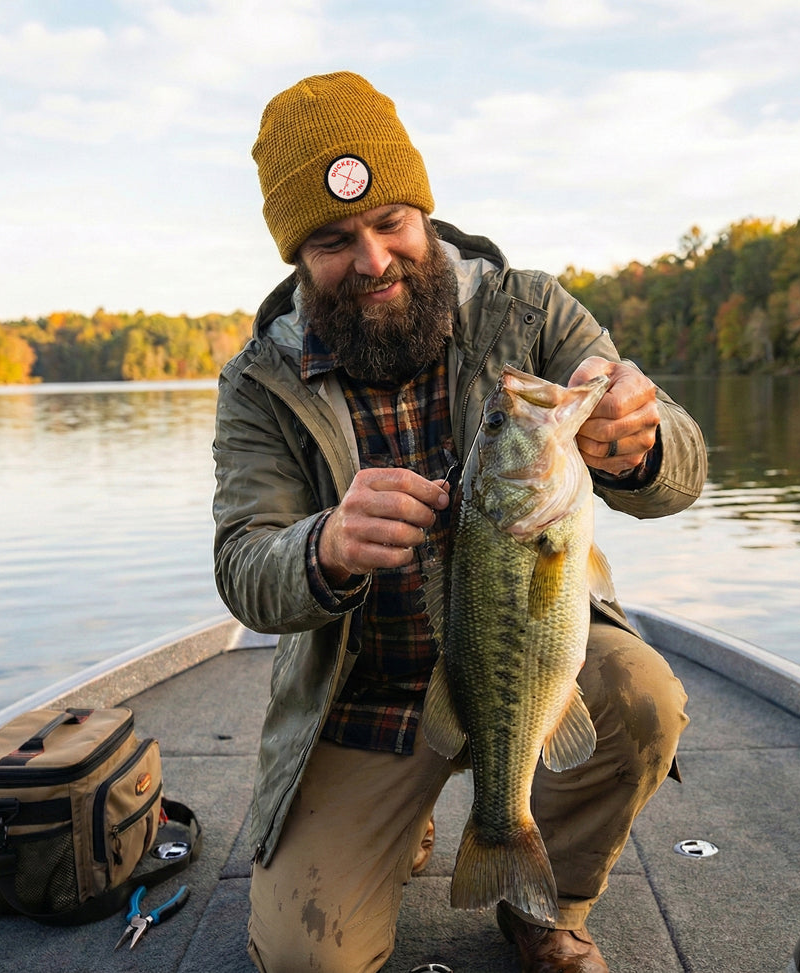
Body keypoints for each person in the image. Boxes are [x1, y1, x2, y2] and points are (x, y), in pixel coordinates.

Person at [212, 71, 707, 973]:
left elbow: (682, 470)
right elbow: (243, 564)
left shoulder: (531, 309)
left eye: (391, 222)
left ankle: (546, 903)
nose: (372, 261)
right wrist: (321, 548)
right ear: (295, 257)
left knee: (644, 696)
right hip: (363, 692)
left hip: (526, 658)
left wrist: (637, 445)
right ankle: (404, 820)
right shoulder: (258, 381)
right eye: (331, 240)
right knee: (304, 959)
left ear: (425, 215)